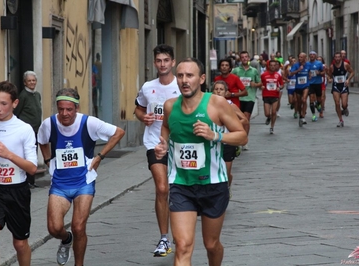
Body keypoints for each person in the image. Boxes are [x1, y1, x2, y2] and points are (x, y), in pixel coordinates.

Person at [155, 57, 248, 266]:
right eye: (180, 76)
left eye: (190, 75)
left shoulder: (217, 104)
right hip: (181, 185)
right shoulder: (170, 106)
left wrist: (215, 135)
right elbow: (166, 130)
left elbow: (242, 136)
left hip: (213, 185)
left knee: (211, 245)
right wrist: (162, 145)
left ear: (202, 78)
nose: (184, 80)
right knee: (183, 246)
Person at [38, 88, 125, 266]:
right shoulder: (49, 124)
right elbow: (42, 140)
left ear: (76, 108)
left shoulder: (89, 123)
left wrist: (100, 157)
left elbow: (119, 132)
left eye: (69, 109)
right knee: (54, 228)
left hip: (83, 182)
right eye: (61, 109)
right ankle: (66, 239)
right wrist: (48, 161)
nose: (64, 113)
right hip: (60, 184)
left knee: (78, 226)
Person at [0, 81, 38, 266]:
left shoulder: (24, 129)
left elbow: (32, 168)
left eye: (3, 104)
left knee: (19, 243)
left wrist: (8, 154)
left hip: (18, 190)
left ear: (15, 103)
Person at [134, 44, 179, 257]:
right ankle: (164, 238)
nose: (162, 64)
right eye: (159, 61)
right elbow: (138, 108)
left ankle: (181, 232)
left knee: (179, 190)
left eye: (166, 60)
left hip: (180, 144)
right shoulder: (147, 87)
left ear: (173, 62)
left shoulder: (182, 85)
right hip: (154, 142)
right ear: (155, 63)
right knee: (162, 188)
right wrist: (143, 117)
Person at [212, 80, 249, 195]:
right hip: (213, 141)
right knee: (214, 170)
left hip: (228, 142)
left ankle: (227, 186)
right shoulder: (208, 104)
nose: (218, 91)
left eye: (221, 89)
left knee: (226, 171)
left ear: (226, 92)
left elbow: (244, 120)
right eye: (216, 89)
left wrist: (232, 123)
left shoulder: (230, 105)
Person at [13, 71, 42, 188]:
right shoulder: (23, 95)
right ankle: (26, 181)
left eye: (33, 80)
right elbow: (17, 112)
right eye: (29, 81)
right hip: (26, 131)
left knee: (32, 155)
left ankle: (31, 181)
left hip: (35, 130)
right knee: (25, 155)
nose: (32, 83)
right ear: (25, 82)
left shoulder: (37, 95)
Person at [232, 51, 261, 150]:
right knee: (238, 119)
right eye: (242, 57)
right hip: (238, 97)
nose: (244, 58)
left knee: (246, 118)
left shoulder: (254, 71)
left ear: (249, 58)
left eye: (246, 57)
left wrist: (255, 85)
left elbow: (260, 83)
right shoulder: (235, 70)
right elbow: (231, 81)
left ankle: (244, 140)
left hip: (250, 97)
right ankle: (238, 137)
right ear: (240, 59)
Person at [328, 51, 355, 127]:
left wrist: (348, 79)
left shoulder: (346, 65)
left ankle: (345, 109)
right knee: (337, 103)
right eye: (336, 57)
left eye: (338, 57)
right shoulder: (332, 67)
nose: (337, 58)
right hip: (336, 86)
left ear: (341, 57)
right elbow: (329, 76)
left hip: (344, 86)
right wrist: (329, 79)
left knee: (344, 104)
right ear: (334, 58)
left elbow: (352, 72)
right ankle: (340, 120)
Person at [260, 60, 284, 134]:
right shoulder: (263, 75)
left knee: (274, 112)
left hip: (275, 95)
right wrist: (261, 87)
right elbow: (259, 84)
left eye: (274, 65)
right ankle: (269, 117)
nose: (273, 67)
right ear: (269, 66)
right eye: (271, 65)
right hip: (266, 95)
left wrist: (279, 88)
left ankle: (272, 127)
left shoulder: (278, 75)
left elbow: (282, 85)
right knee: (267, 113)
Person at [290, 52, 310, 127]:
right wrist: (298, 70)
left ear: (305, 58)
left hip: (306, 85)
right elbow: (291, 74)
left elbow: (310, 71)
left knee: (304, 100)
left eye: (301, 57)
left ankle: (303, 116)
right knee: (298, 103)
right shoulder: (296, 65)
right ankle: (300, 114)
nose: (300, 58)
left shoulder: (308, 65)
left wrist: (310, 75)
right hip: (298, 86)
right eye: (299, 57)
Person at [307, 51, 325, 122]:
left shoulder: (319, 63)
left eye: (313, 55)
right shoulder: (307, 64)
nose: (312, 56)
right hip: (310, 84)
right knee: (311, 99)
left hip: (318, 83)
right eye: (310, 55)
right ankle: (313, 115)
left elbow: (324, 72)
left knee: (319, 99)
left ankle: (318, 104)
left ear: (315, 56)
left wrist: (319, 73)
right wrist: (308, 76)